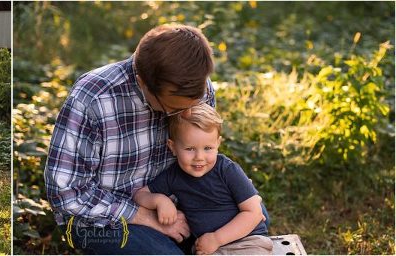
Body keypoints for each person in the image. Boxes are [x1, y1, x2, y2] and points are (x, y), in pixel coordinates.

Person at [45, 24, 216, 254]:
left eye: (192, 106)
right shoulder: (93, 98)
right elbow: (67, 193)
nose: (186, 115)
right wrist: (146, 217)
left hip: (172, 205)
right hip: (102, 219)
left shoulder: (195, 87)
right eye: (174, 109)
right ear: (143, 82)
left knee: (253, 223)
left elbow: (202, 155)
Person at [134, 103, 272, 255]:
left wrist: (217, 239)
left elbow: (253, 213)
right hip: (208, 248)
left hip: (246, 242)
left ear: (217, 144)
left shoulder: (227, 170)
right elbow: (140, 195)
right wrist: (160, 200)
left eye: (208, 148)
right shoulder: (173, 175)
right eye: (190, 149)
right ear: (172, 147)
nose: (199, 158)